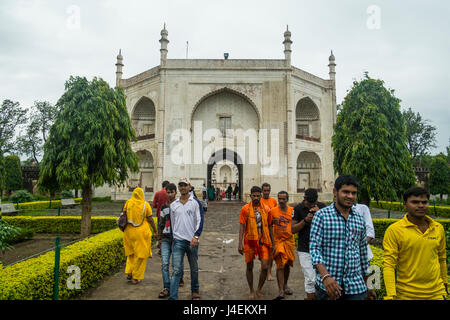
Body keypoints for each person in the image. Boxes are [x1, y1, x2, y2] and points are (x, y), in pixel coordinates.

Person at [309, 175, 376, 300]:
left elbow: (362, 254)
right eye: (346, 192)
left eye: (353, 193)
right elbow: (314, 249)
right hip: (328, 286)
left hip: (355, 286)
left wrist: (369, 284)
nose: (350, 196)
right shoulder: (321, 216)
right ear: (335, 192)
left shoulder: (359, 219)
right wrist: (325, 276)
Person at [383, 187, 448, 300]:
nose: (421, 205)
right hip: (407, 294)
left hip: (436, 293)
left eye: (424, 202)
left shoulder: (438, 228)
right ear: (405, 205)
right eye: (415, 202)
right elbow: (389, 264)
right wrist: (390, 295)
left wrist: (445, 284)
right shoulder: (394, 230)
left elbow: (441, 258)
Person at [169, 178, 204, 300]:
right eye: (181, 185)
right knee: (177, 270)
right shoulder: (173, 205)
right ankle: (173, 297)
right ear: (178, 188)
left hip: (192, 241)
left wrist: (196, 236)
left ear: (189, 187)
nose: (183, 187)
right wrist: (173, 239)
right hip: (178, 241)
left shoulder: (195, 203)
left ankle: (195, 290)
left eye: (185, 185)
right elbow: (173, 224)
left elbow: (200, 220)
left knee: (194, 268)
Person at [238, 186, 274, 300]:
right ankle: (251, 290)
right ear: (250, 196)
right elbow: (242, 226)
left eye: (258, 195)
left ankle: (259, 289)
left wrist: (273, 243)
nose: (256, 198)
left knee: (264, 266)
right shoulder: (245, 209)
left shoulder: (267, 209)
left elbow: (269, 226)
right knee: (249, 266)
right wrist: (240, 243)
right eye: (254, 195)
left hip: (263, 241)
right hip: (249, 241)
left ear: (261, 196)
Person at [291, 188, 326, 300]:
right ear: (304, 199)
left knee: (318, 277)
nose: (311, 205)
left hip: (321, 248)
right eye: (309, 202)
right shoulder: (298, 208)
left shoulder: (323, 207)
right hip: (304, 248)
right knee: (311, 278)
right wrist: (305, 220)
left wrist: (319, 214)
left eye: (313, 202)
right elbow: (292, 229)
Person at [121, 187, 158, 284]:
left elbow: (123, 215)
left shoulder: (128, 203)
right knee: (141, 255)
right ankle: (136, 277)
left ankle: (129, 272)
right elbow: (150, 219)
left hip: (128, 232)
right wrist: (155, 230)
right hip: (141, 233)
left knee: (131, 253)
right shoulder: (145, 205)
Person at [158, 183, 184, 298]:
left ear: (175, 192)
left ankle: (179, 278)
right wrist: (159, 239)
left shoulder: (180, 205)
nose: (169, 194)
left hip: (177, 239)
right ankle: (167, 287)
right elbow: (161, 223)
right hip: (165, 238)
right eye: (167, 192)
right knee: (164, 264)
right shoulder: (164, 207)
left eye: (171, 192)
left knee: (177, 264)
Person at [269, 191, 295, 300]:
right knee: (280, 265)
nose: (281, 201)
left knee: (287, 264)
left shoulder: (292, 211)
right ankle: (280, 290)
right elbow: (269, 226)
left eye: (283, 199)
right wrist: (272, 242)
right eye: (279, 199)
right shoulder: (273, 211)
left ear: (287, 200)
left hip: (289, 241)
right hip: (278, 241)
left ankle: (285, 285)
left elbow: (295, 224)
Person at [260, 182, 278, 281]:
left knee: (271, 253)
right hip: (261, 231)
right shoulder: (259, 201)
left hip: (272, 231)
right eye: (264, 191)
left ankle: (269, 272)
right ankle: (264, 267)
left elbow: (276, 213)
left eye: (268, 190)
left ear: (270, 191)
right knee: (262, 252)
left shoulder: (274, 201)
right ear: (262, 191)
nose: (266, 192)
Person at [153, 180, 170, 255]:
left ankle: (161, 249)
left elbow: (153, 205)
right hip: (168, 215)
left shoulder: (157, 193)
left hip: (160, 215)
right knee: (167, 232)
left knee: (160, 231)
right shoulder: (169, 194)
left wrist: (159, 205)